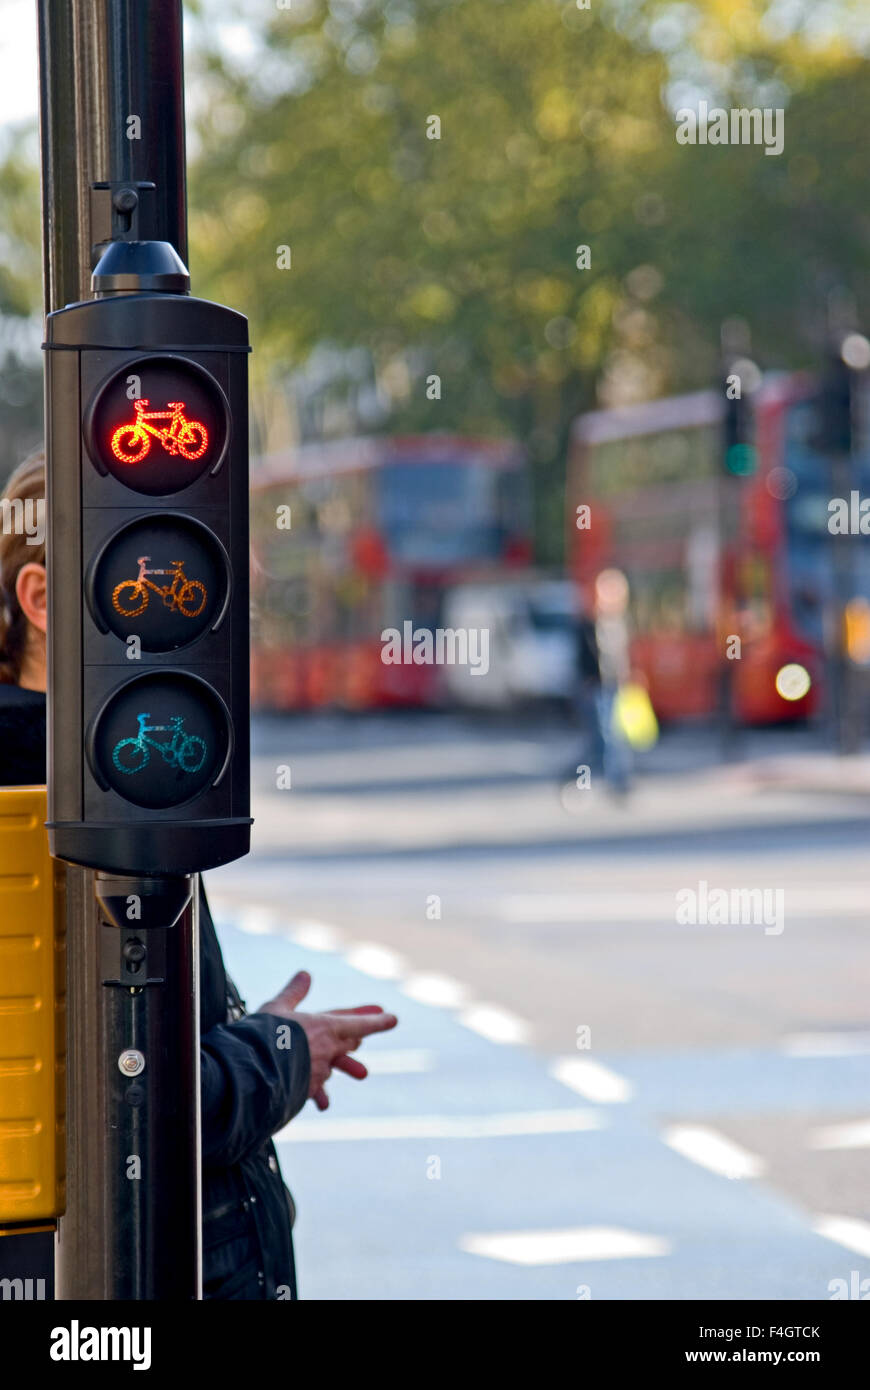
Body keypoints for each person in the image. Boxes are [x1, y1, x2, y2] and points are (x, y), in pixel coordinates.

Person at [0, 451, 399, 1299]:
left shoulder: (107, 774)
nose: (223, 621)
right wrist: (286, 1051)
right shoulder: (66, 803)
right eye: (170, 585)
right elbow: (128, 1107)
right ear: (40, 602)